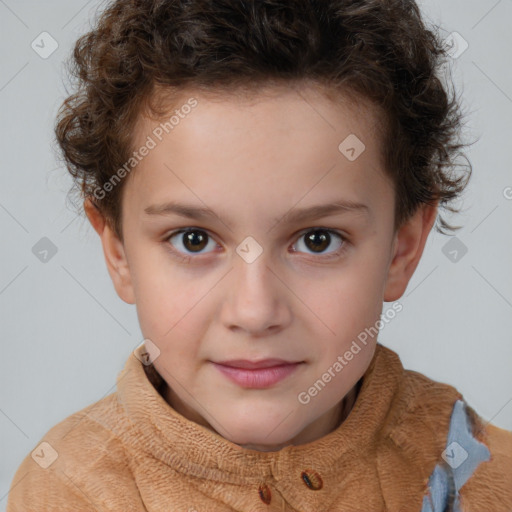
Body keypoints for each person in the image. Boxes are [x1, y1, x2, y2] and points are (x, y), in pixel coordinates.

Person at [7, 0, 512, 510]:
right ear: (117, 251)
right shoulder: (68, 489)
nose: (254, 312)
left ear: (402, 249)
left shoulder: (479, 469)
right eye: (194, 240)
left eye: (318, 239)